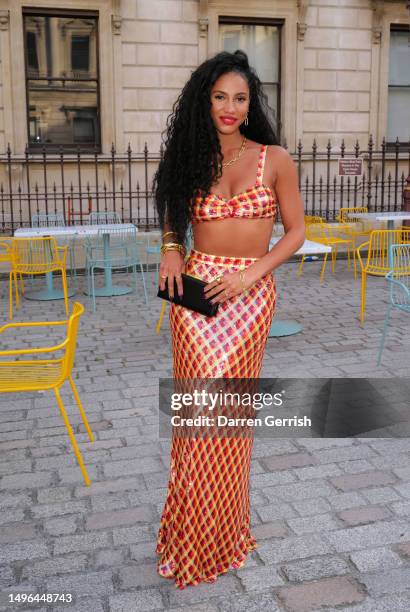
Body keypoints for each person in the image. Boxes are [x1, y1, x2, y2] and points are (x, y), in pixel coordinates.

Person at [153, 50, 305, 589]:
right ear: (205, 99)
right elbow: (173, 214)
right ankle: (191, 537)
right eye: (220, 96)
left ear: (251, 103)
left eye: (240, 98)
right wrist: (172, 247)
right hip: (197, 299)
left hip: (250, 296)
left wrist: (250, 276)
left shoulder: (275, 158)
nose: (230, 107)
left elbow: (295, 233)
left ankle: (227, 533)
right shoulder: (189, 156)